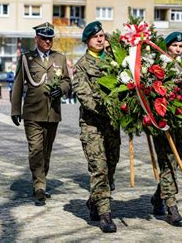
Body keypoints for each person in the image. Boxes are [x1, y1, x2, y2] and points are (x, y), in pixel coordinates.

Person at [11, 22, 71, 205]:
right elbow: (18, 84)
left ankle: (41, 178)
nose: (47, 41)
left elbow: (68, 81)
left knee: (46, 150)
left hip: (52, 112)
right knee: (35, 148)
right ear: (36, 38)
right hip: (32, 112)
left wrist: (61, 89)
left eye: (50, 38)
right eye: (44, 38)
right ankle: (39, 186)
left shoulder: (59, 58)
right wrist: (15, 110)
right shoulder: (26, 59)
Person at [74, 21, 121, 233]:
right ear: (88, 41)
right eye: (96, 37)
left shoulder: (115, 61)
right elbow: (84, 95)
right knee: (98, 168)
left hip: (112, 125)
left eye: (102, 36)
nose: (100, 39)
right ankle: (105, 214)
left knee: (111, 165)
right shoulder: (82, 65)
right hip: (92, 125)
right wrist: (107, 107)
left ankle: (94, 201)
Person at [150, 31, 182, 227]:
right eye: (175, 46)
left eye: (181, 46)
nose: (178, 49)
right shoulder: (158, 67)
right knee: (168, 161)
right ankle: (172, 207)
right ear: (167, 46)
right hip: (163, 121)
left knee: (178, 157)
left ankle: (158, 196)